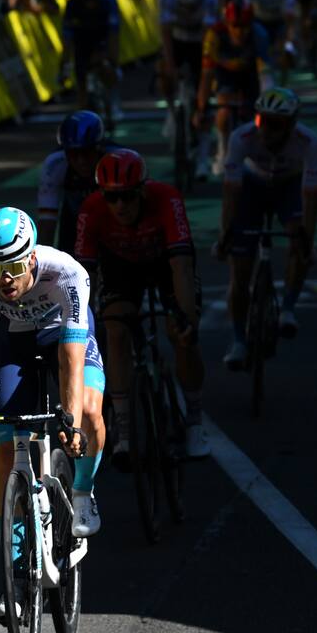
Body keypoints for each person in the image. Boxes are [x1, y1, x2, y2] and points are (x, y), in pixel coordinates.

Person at [0, 208, 106, 599]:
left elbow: (70, 358)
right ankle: (17, 571)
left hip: (61, 334)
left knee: (87, 410)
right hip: (11, 342)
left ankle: (82, 492)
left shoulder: (66, 272)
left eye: (14, 266)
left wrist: (68, 421)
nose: (4, 279)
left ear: (32, 257)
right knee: (8, 453)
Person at [75, 150, 211, 461]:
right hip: (121, 267)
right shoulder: (91, 209)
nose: (119, 205)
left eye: (127, 196)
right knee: (116, 331)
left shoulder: (167, 199)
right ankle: (123, 429)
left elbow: (182, 267)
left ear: (143, 190)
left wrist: (187, 319)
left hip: (166, 263)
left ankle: (194, 421)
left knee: (183, 335)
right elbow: (85, 276)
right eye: (111, 197)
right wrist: (81, 326)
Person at [216, 87, 317, 363]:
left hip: (289, 186)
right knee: (239, 271)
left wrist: (307, 239)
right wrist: (225, 234)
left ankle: (287, 308)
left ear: (292, 125)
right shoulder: (241, 137)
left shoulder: (309, 142)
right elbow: (231, 193)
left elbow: (310, 198)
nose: (266, 130)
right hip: (252, 187)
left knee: (300, 238)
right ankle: (238, 340)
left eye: (276, 124)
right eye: (262, 121)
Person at [196, 0, 271, 177]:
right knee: (223, 112)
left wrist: (267, 105)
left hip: (249, 73)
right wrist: (201, 107)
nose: (240, 31)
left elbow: (266, 73)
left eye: (245, 26)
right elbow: (207, 75)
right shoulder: (214, 35)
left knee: (256, 114)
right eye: (235, 26)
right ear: (227, 23)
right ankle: (222, 149)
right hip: (224, 75)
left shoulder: (259, 34)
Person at [36, 110, 123, 255]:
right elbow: (47, 223)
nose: (81, 161)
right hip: (74, 219)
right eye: (73, 153)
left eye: (87, 152)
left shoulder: (118, 160)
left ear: (99, 147)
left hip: (115, 221)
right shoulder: (55, 164)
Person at [159, 0, 218, 176]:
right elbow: (165, 33)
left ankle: (203, 158)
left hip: (201, 42)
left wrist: (206, 73)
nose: (190, 11)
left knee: (204, 95)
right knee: (163, 72)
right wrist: (170, 66)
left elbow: (210, 37)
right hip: (177, 41)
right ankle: (171, 110)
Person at [60, 0, 122, 122]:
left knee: (106, 68)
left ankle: (111, 107)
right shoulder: (72, 5)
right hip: (81, 42)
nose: (90, 3)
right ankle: (82, 119)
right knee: (81, 84)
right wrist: (64, 66)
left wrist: (113, 61)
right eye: (87, 0)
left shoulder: (108, 1)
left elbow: (113, 34)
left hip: (102, 39)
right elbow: (67, 40)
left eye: (93, 0)